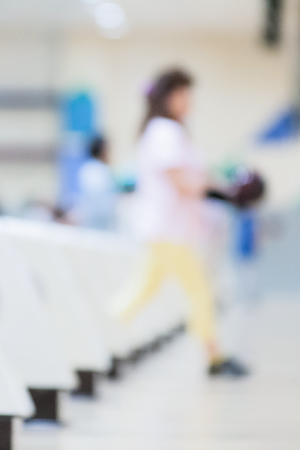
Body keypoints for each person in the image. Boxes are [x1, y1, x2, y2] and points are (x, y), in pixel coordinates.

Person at [111, 68, 247, 377]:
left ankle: (100, 333)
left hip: (170, 230)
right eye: (184, 94)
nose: (189, 101)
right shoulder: (164, 132)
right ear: (168, 97)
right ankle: (214, 357)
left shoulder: (169, 131)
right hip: (168, 230)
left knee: (141, 291)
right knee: (199, 292)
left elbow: (193, 176)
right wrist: (224, 192)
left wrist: (219, 188)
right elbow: (181, 181)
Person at [70, 135, 119, 230]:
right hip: (98, 223)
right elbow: (101, 203)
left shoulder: (87, 169)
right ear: (102, 151)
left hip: (93, 222)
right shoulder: (99, 170)